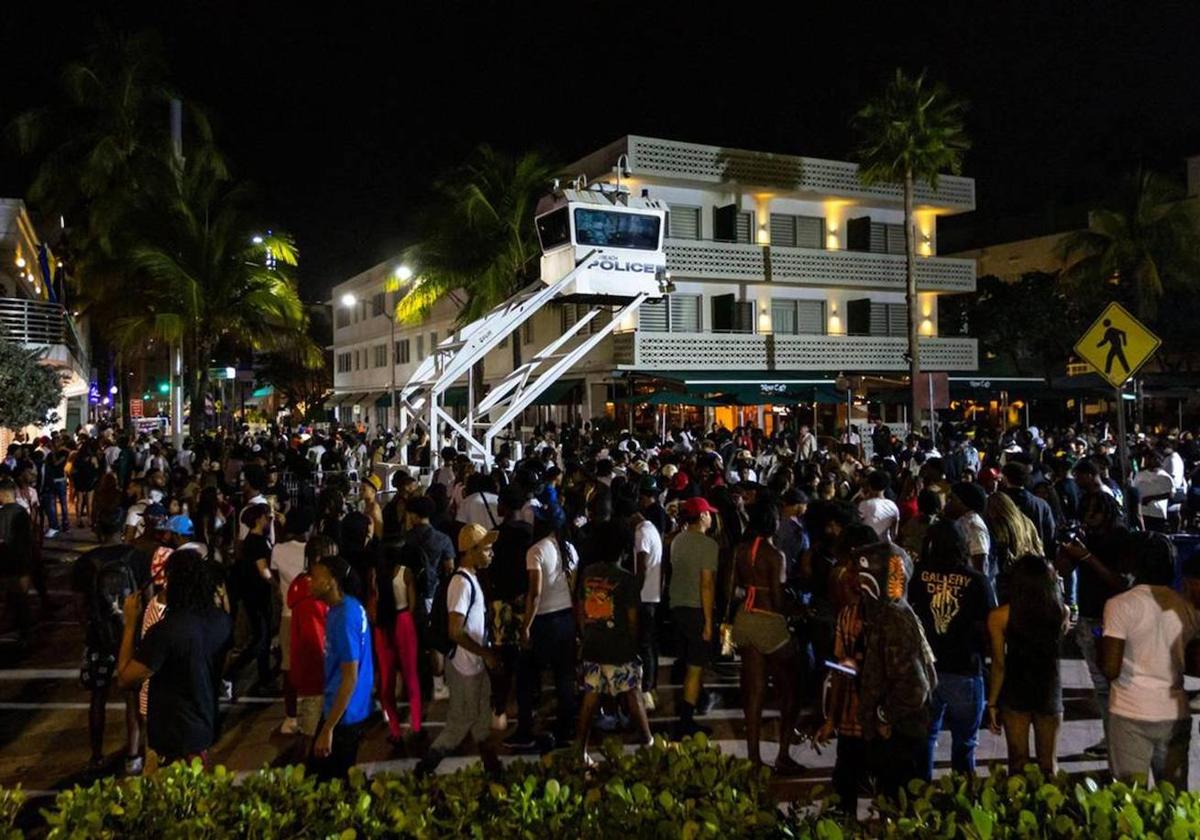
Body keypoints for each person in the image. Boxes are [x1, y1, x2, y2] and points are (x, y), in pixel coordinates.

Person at [117, 550, 232, 770]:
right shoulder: (221, 622)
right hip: (204, 727)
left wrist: (130, 623)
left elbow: (125, 678)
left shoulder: (165, 631)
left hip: (171, 738)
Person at [1101, 532, 1199, 788]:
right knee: (1173, 799)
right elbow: (1194, 664)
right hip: (1174, 711)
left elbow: (1110, 668)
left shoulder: (1119, 605)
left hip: (1129, 711)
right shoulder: (1185, 606)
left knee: (1128, 799)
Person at [908, 522, 996, 780]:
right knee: (965, 742)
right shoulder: (977, 581)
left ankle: (920, 796)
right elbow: (989, 624)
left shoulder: (918, 575)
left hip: (926, 669)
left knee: (925, 738)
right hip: (965, 668)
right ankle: (960, 796)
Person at [415, 524, 503, 776]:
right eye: (487, 549)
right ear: (471, 551)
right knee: (459, 724)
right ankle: (425, 767)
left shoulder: (472, 578)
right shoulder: (462, 584)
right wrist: (484, 653)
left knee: (481, 723)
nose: (491, 553)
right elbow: (455, 631)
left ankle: (493, 768)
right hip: (465, 666)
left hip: (474, 664)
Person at [856, 542, 936, 798]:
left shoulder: (893, 617)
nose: (858, 584)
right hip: (901, 732)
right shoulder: (894, 612)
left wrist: (883, 715)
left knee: (898, 803)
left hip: (901, 735)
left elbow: (916, 686)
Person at [729, 501, 803, 773]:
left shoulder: (740, 551)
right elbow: (777, 597)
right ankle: (783, 754)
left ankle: (753, 758)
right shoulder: (776, 555)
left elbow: (733, 588)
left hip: (745, 619)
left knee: (754, 692)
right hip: (769, 620)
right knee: (791, 690)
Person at [73, 510, 146, 773]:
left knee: (98, 696)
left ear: (98, 530)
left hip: (99, 638)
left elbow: (80, 605)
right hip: (130, 634)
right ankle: (133, 755)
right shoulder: (135, 557)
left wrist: (90, 629)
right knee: (131, 697)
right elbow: (146, 595)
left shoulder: (86, 562)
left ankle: (96, 755)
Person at [574, 524, 652, 763]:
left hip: (593, 645)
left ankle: (580, 750)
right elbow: (632, 619)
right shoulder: (625, 579)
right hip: (619, 648)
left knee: (590, 697)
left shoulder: (587, 573)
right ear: (623, 550)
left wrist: (585, 634)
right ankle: (648, 744)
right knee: (632, 694)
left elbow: (579, 609)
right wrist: (633, 644)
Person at [986, 554, 1070, 775]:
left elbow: (999, 664)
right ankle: (1050, 807)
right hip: (1049, 687)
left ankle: (1017, 805)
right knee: (1048, 764)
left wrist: (992, 702)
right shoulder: (1061, 612)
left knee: (1017, 761)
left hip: (1016, 687)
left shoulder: (1000, 616)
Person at [508, 502, 578, 750]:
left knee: (527, 677)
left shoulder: (536, 551)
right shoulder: (569, 549)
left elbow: (535, 594)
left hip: (544, 621)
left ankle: (525, 729)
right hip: (566, 618)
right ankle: (568, 728)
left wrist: (526, 625)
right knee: (564, 677)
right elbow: (573, 588)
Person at [308, 554, 374, 780]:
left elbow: (350, 677)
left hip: (344, 715)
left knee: (325, 781)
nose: (310, 582)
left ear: (331, 581)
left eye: (315, 577)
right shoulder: (349, 607)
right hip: (349, 709)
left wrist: (328, 729)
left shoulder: (344, 617)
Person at [668, 496, 720, 738]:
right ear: (701, 516)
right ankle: (686, 721)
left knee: (690, 663)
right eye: (709, 513)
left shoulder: (677, 540)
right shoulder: (708, 545)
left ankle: (694, 704)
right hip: (696, 609)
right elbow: (706, 585)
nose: (711, 517)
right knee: (695, 668)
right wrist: (709, 622)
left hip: (677, 606)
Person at [286, 536, 335, 751]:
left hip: (307, 666)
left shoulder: (299, 586)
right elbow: (316, 636)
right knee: (315, 728)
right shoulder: (316, 594)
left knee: (312, 722)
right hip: (320, 667)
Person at [372, 542, 423, 746]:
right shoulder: (405, 573)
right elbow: (412, 604)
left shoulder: (376, 576)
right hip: (403, 622)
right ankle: (416, 726)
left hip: (383, 628)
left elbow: (374, 606)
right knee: (411, 678)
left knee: (387, 684)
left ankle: (395, 730)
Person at [224, 504, 275, 694]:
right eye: (266, 516)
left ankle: (264, 677)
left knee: (263, 636)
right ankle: (232, 672)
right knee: (260, 637)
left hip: (256, 594)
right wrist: (277, 587)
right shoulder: (256, 542)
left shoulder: (259, 540)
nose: (268, 519)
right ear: (258, 519)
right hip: (256, 594)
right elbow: (264, 570)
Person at [273, 509, 311, 735]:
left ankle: (291, 716)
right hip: (313, 614)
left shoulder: (277, 550)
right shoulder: (312, 550)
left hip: (289, 613)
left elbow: (275, 579)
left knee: (288, 667)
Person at [0, 479, 34, 645]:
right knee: (21, 597)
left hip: (6, 560)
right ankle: (24, 631)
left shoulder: (2, 514)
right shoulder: (22, 512)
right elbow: (29, 539)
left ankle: (17, 627)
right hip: (22, 561)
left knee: (11, 596)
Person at [1000, 462, 1056, 557]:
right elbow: (1050, 532)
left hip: (1009, 557)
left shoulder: (999, 503)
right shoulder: (1041, 504)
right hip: (1036, 556)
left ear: (1005, 478)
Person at [944, 482, 990, 576]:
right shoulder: (961, 521)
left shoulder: (973, 526)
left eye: (951, 499)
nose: (947, 503)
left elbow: (979, 563)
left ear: (963, 502)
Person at [1132, 452, 1174, 533]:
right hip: (1143, 513)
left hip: (1158, 513)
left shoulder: (1166, 477)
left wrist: (1150, 498)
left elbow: (1170, 494)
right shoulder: (1140, 475)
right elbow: (1135, 490)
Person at [857, 471, 899, 542]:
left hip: (867, 543)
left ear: (869, 485)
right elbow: (894, 533)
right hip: (884, 545)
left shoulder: (865, 504)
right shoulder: (894, 506)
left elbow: (857, 524)